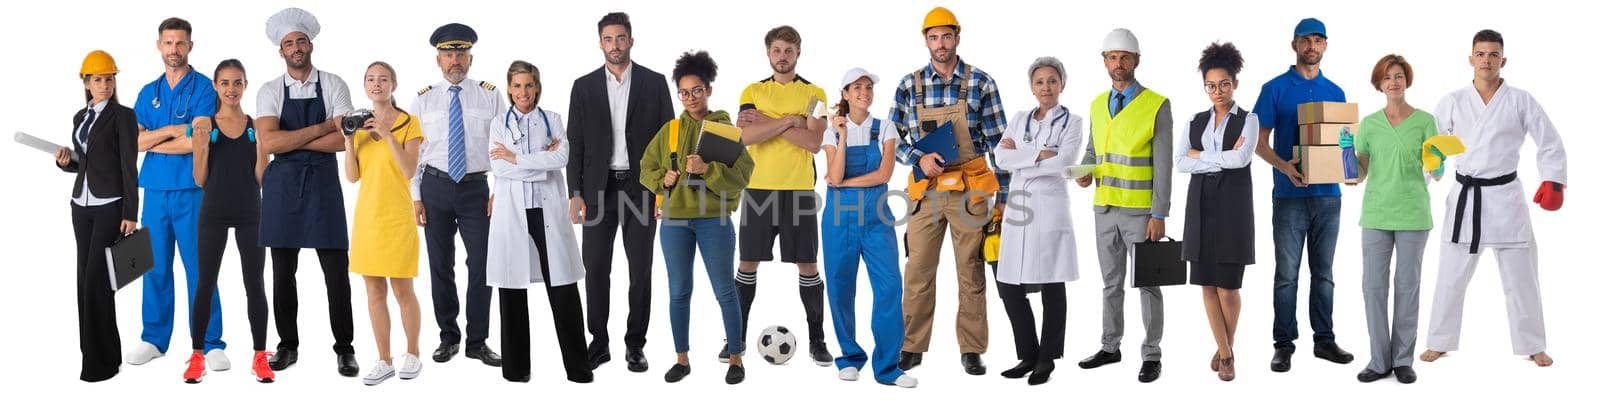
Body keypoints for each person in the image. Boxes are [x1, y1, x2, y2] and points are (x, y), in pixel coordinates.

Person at [1422, 29, 1565, 369]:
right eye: (1481, 54)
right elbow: (1431, 145)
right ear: (1471, 59)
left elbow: (1549, 140)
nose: (1486, 60)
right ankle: (1439, 342)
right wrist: (1428, 169)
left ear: (1503, 60)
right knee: (1450, 276)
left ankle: (1533, 345)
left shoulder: (1521, 100)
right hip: (1465, 198)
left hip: (1506, 199)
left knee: (1522, 278)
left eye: (1493, 54)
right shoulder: (1453, 100)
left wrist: (1553, 179)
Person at [890, 6, 1009, 375]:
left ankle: (971, 348)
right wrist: (917, 158)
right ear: (925, 41)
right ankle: (912, 345)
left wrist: (1003, 195)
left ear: (958, 37)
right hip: (926, 190)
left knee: (970, 270)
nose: (940, 44)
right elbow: (892, 138)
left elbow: (1000, 144)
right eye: (933, 37)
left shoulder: (981, 83)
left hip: (970, 189)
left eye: (946, 36)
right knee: (918, 269)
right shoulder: (909, 85)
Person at [567, 12, 674, 373]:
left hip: (641, 188)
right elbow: (575, 143)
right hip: (598, 190)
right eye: (608, 39)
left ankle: (635, 344)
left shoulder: (654, 83)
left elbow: (668, 143)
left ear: (631, 40)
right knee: (595, 268)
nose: (615, 45)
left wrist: (663, 192)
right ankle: (598, 341)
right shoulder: (583, 87)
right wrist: (575, 192)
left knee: (640, 269)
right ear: (600, 43)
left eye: (621, 38)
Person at [640, 50, 756, 385]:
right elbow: (646, 168)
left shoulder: (722, 128)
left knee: (724, 290)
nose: (691, 98)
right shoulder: (671, 130)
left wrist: (709, 170)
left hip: (713, 220)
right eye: (685, 92)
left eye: (697, 90)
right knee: (678, 291)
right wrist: (663, 178)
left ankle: (735, 357)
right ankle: (682, 358)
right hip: (675, 221)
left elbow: (744, 173)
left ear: (708, 90)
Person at [255, 7, 359, 376]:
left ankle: (345, 348)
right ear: (280, 51)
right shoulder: (269, 90)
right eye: (289, 44)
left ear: (310, 45)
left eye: (301, 41)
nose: (296, 47)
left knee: (336, 272)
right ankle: (287, 346)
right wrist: (322, 128)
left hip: (323, 188)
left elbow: (347, 140)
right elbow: (268, 141)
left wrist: (292, 141)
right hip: (282, 190)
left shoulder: (333, 84)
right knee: (282, 274)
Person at [1252, 18, 1355, 372]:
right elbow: (1257, 143)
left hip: (1329, 197)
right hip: (1289, 196)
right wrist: (1284, 167)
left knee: (1324, 273)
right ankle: (1283, 344)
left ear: (1325, 45)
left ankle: (1324, 340)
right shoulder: (1274, 89)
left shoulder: (1336, 92)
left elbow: (1345, 144)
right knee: (1287, 274)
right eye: (1305, 40)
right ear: (1294, 45)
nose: (1312, 46)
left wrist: (1350, 172)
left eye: (1318, 40)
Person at [1073, 28, 1173, 384]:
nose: (1119, 64)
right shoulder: (1098, 103)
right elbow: (1093, 150)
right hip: (1104, 209)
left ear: (1137, 61)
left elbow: (1163, 164)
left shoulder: (1157, 104)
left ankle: (1151, 354)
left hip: (1140, 213)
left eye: (1125, 58)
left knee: (1147, 285)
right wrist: (1084, 172)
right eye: (1112, 57)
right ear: (1104, 62)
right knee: (1110, 283)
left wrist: (1159, 213)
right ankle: (1110, 347)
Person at [731, 25, 833, 366]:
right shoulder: (752, 90)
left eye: (789, 50)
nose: (783, 56)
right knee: (748, 263)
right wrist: (792, 121)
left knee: (807, 264)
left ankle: (817, 340)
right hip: (758, 187)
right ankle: (735, 339)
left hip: (799, 190)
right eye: (777, 50)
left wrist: (769, 122)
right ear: (768, 53)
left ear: (798, 53)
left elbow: (814, 143)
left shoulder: (816, 94)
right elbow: (745, 137)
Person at [487, 61, 593, 384]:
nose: (523, 92)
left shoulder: (554, 120)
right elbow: (499, 170)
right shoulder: (497, 125)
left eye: (529, 85)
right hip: (512, 212)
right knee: (512, 288)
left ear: (537, 86)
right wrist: (541, 163)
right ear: (509, 88)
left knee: (563, 288)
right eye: (517, 86)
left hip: (546, 211)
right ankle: (517, 370)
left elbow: (561, 160)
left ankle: (578, 369)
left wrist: (517, 158)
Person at [128, 17, 224, 369]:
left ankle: (210, 342)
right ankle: (153, 338)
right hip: (153, 191)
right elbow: (132, 143)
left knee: (200, 268)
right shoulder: (147, 93)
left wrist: (155, 141)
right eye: (168, 43)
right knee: (153, 267)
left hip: (192, 190)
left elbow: (196, 141)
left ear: (190, 46)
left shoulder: (203, 89)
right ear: (159, 46)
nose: (174, 50)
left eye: (180, 43)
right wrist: (171, 130)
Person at [409, 23, 503, 367]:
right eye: (448, 54)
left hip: (476, 189)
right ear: (438, 59)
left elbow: (503, 147)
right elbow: (414, 154)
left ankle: (477, 340)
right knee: (440, 265)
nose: (455, 61)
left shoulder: (490, 95)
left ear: (470, 57)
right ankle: (448, 336)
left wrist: (501, 191)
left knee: (482, 263)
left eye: (461, 54)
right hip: (434, 187)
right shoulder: (422, 99)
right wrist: (416, 197)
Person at [820, 67, 917, 388]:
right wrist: (843, 135)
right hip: (838, 220)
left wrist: (844, 181)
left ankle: (889, 367)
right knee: (840, 287)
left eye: (868, 87)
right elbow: (831, 177)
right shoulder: (831, 132)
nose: (864, 92)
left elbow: (883, 175)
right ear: (845, 94)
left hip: (877, 218)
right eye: (856, 87)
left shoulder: (886, 127)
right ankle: (849, 357)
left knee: (890, 286)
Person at [992, 57, 1083, 386]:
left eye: (1052, 81)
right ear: (1032, 87)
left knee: (1051, 281)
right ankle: (1027, 354)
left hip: (1049, 206)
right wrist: (1039, 153)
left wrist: (1024, 157)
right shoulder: (1018, 119)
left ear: (1062, 84)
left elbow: (1065, 162)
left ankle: (1047, 357)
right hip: (1018, 207)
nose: (1046, 87)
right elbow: (1001, 158)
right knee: (1010, 283)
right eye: (1040, 82)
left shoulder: (1072, 122)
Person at [1348, 54, 1436, 384]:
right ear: (1379, 84)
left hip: (1414, 213)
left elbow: (1433, 164)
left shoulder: (1426, 121)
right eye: (1387, 78)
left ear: (1406, 80)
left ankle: (1402, 360)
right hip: (1376, 213)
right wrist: (1347, 168)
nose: (1393, 82)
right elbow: (1361, 170)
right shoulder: (1369, 124)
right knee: (1372, 286)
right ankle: (1378, 359)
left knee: (1407, 287)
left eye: (1398, 76)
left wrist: (1438, 165)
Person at [184, 59, 272, 383]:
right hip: (214, 213)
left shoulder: (255, 125)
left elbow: (260, 178)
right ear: (216, 87)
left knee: (255, 285)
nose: (231, 89)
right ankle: (196, 356)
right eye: (225, 83)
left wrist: (263, 148)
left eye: (237, 83)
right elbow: (199, 178)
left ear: (245, 85)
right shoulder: (205, 123)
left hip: (251, 212)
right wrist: (203, 144)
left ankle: (260, 356)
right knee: (204, 283)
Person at [1175, 42, 1258, 382]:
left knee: (1228, 287)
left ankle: (1227, 347)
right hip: (1200, 205)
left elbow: (1242, 160)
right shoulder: (1195, 120)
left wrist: (1200, 156)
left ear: (1235, 83)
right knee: (1206, 285)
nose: (1218, 91)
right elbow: (1180, 162)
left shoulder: (1248, 120)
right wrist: (1211, 159)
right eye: (1211, 85)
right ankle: (1226, 354)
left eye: (1224, 83)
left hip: (1233, 207)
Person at [57, 50, 139, 382]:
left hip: (110, 207)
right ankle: (101, 356)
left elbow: (127, 166)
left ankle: (100, 364)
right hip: (81, 206)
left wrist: (131, 212)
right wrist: (67, 162)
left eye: (109, 79)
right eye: (98, 79)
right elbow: (86, 163)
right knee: (84, 283)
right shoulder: (81, 116)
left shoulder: (123, 116)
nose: (104, 85)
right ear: (86, 83)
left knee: (97, 283)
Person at [343, 61, 425, 386]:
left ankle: (414, 353)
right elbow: (352, 176)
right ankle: (384, 360)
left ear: (394, 84)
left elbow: (408, 170)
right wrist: (349, 140)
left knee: (403, 290)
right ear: (364, 86)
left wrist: (387, 134)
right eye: (371, 80)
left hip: (397, 217)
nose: (377, 84)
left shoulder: (409, 123)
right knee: (374, 291)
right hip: (368, 219)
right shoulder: (359, 126)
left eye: (383, 79)